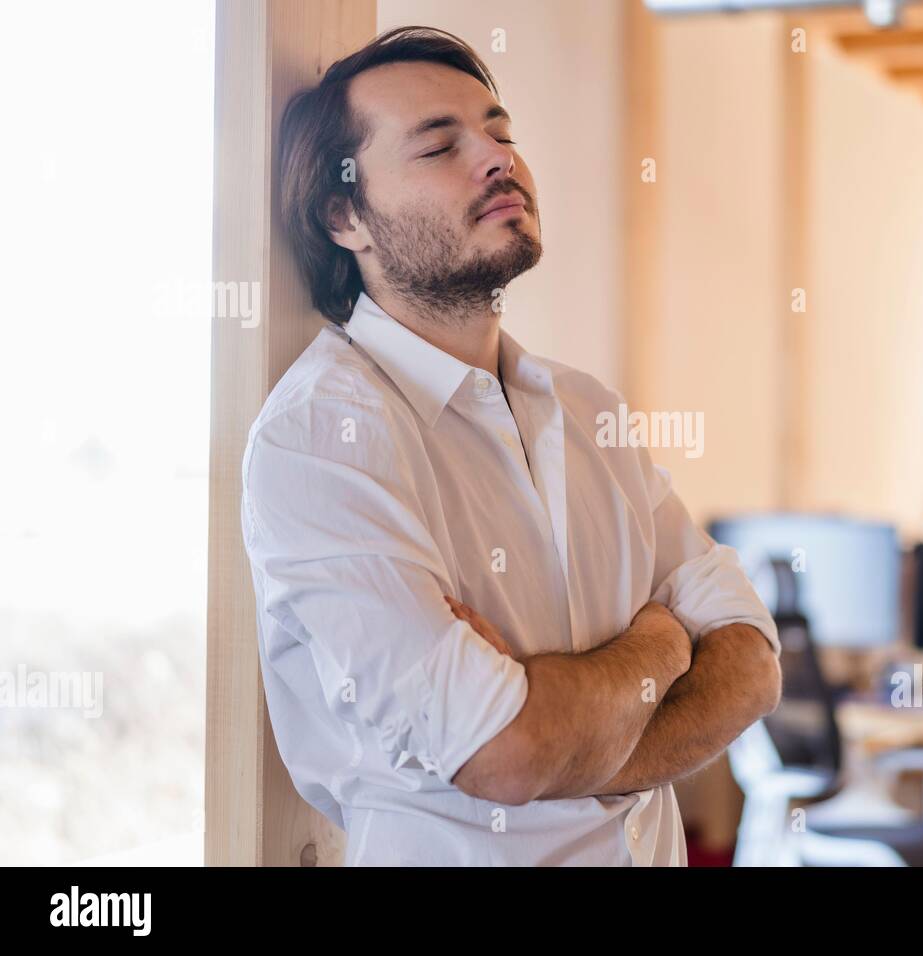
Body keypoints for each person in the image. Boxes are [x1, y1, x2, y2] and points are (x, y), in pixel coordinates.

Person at [241, 26, 781, 866]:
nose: (497, 159)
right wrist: (663, 643)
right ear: (346, 215)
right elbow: (502, 749)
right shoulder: (322, 438)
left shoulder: (587, 406)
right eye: (439, 144)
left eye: (500, 132)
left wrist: (564, 736)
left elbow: (751, 661)